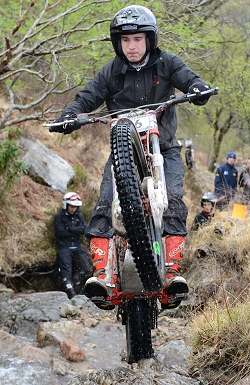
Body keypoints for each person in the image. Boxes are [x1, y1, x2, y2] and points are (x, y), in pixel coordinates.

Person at [50, 5, 212, 310]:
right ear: (118, 43)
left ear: (149, 39)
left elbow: (188, 77)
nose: (132, 46)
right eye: (125, 40)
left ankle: (173, 273)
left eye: (138, 39)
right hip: (122, 150)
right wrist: (70, 115)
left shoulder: (167, 63)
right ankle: (102, 275)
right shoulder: (111, 70)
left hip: (164, 148)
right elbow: (87, 96)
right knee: (103, 203)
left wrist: (197, 87)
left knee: (174, 200)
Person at [54, 192, 91, 299]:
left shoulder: (78, 215)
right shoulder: (59, 216)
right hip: (63, 247)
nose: (73, 209)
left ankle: (75, 285)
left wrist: (69, 228)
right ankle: (70, 293)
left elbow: (84, 229)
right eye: (71, 206)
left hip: (76, 246)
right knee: (66, 271)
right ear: (66, 205)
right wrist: (76, 230)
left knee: (86, 268)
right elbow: (60, 232)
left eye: (75, 207)